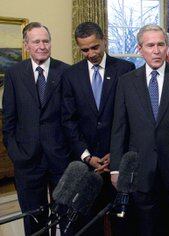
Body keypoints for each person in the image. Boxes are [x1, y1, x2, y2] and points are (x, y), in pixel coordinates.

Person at [109, 24, 169, 236]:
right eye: (150, 45)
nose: (156, 50)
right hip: (140, 172)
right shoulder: (126, 82)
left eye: (161, 44)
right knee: (147, 229)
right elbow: (119, 128)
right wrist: (116, 168)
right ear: (139, 48)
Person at [61, 22, 135, 235]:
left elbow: (130, 118)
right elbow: (68, 120)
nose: (91, 53)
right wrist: (86, 156)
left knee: (123, 222)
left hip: (117, 162)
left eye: (95, 47)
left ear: (104, 41)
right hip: (87, 163)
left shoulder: (125, 69)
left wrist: (116, 152)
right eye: (85, 49)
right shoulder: (71, 75)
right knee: (89, 223)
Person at [2, 22, 70, 235]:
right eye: (36, 41)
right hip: (27, 161)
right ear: (26, 45)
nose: (42, 46)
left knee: (67, 215)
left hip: (60, 158)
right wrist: (16, 154)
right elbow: (9, 120)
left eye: (46, 41)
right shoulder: (14, 74)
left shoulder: (66, 72)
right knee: (33, 219)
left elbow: (72, 117)